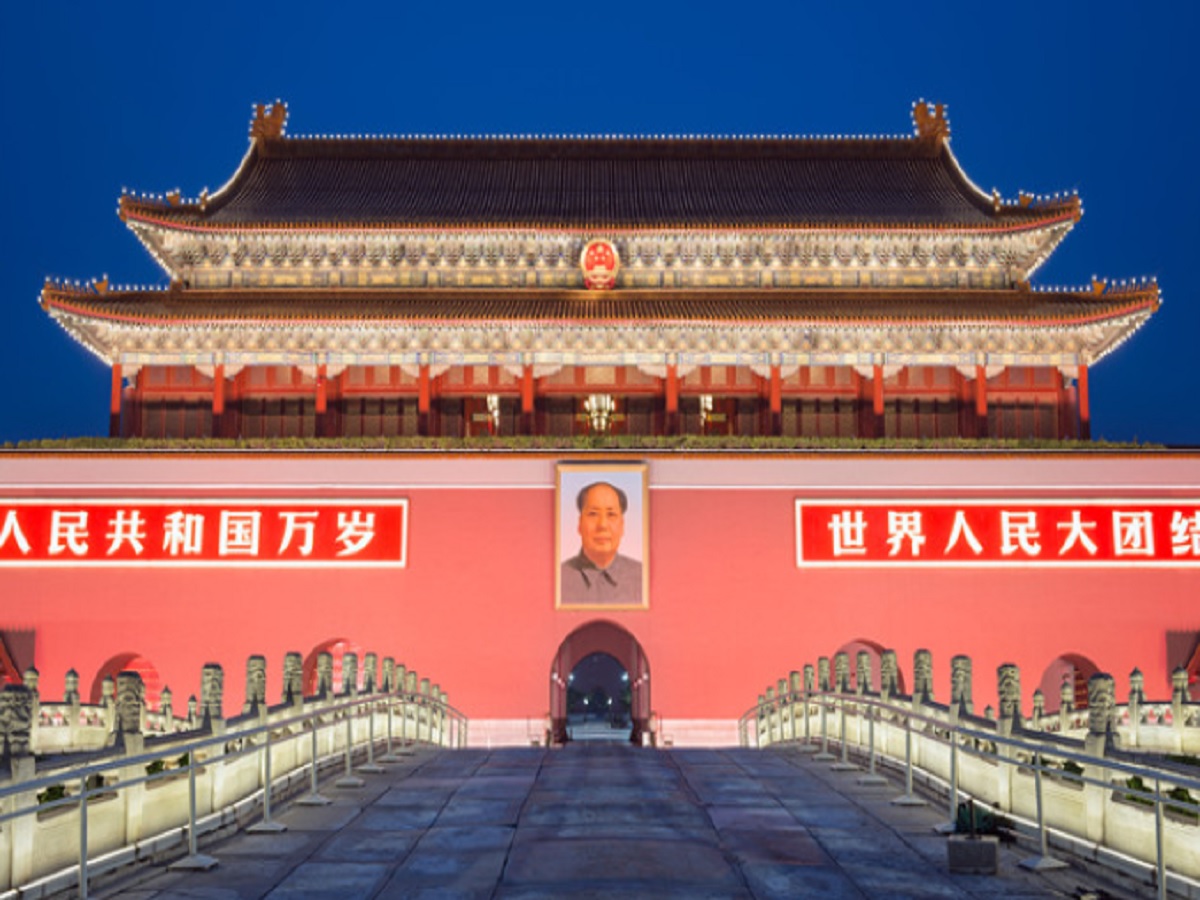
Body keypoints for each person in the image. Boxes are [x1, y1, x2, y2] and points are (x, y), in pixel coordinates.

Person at [560, 481, 643, 606]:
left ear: (622, 525)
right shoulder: (559, 578)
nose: (602, 525)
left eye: (611, 514)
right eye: (593, 514)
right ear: (580, 524)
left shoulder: (642, 577)